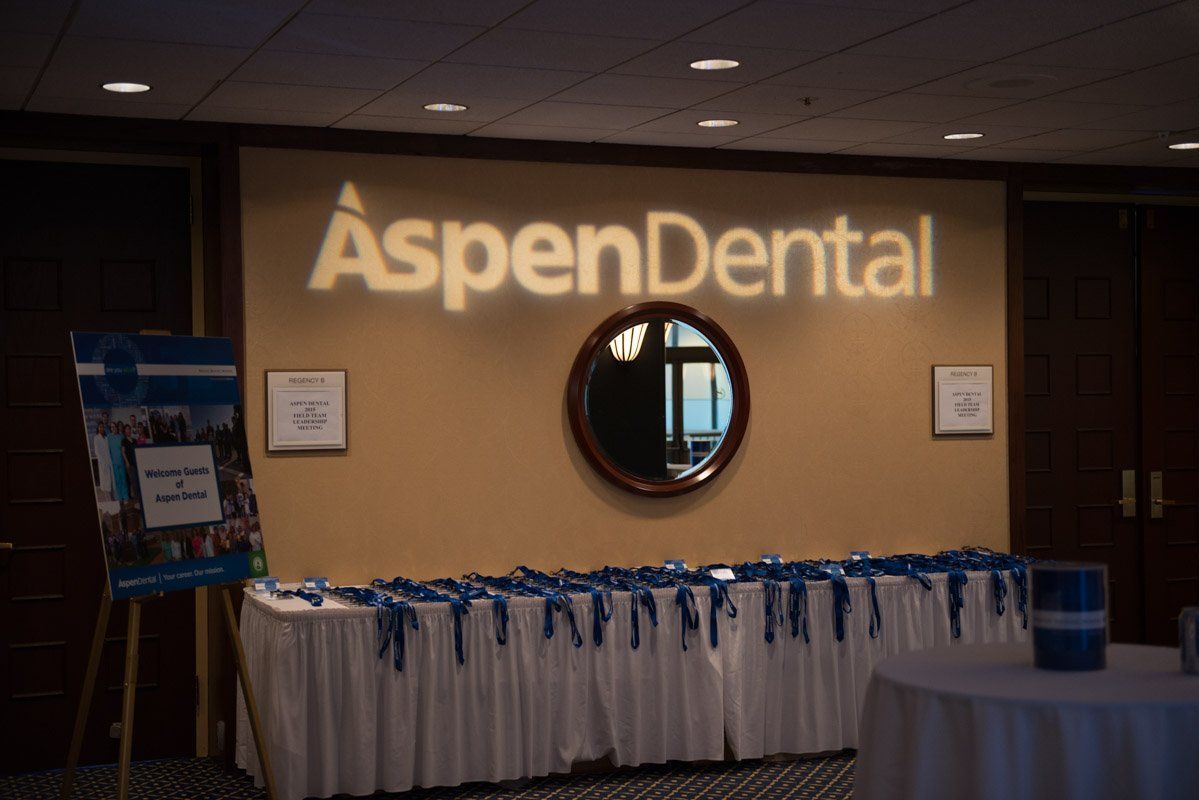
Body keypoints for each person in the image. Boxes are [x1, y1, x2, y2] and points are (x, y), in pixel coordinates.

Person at [108, 422, 129, 502]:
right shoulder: (109, 437)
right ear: (110, 428)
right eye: (112, 427)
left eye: (115, 427)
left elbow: (124, 450)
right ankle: (119, 498)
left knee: (123, 480)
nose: (113, 428)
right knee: (117, 481)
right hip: (114, 463)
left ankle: (125, 497)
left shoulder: (121, 436)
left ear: (117, 427)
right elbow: (108, 451)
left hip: (121, 462)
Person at [92, 419, 113, 500]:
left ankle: (111, 499)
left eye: (102, 427)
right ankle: (108, 500)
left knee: (110, 482)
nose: (101, 428)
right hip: (103, 463)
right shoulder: (96, 438)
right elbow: (97, 452)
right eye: (100, 427)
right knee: (105, 483)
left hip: (109, 462)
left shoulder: (106, 437)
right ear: (98, 428)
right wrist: (103, 463)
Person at [121, 423, 138, 500]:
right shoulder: (123, 441)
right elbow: (123, 452)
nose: (128, 430)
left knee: (137, 480)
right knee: (133, 481)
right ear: (125, 431)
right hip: (129, 464)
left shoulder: (134, 440)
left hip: (136, 463)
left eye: (129, 429)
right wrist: (127, 462)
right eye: (127, 429)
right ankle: (136, 497)